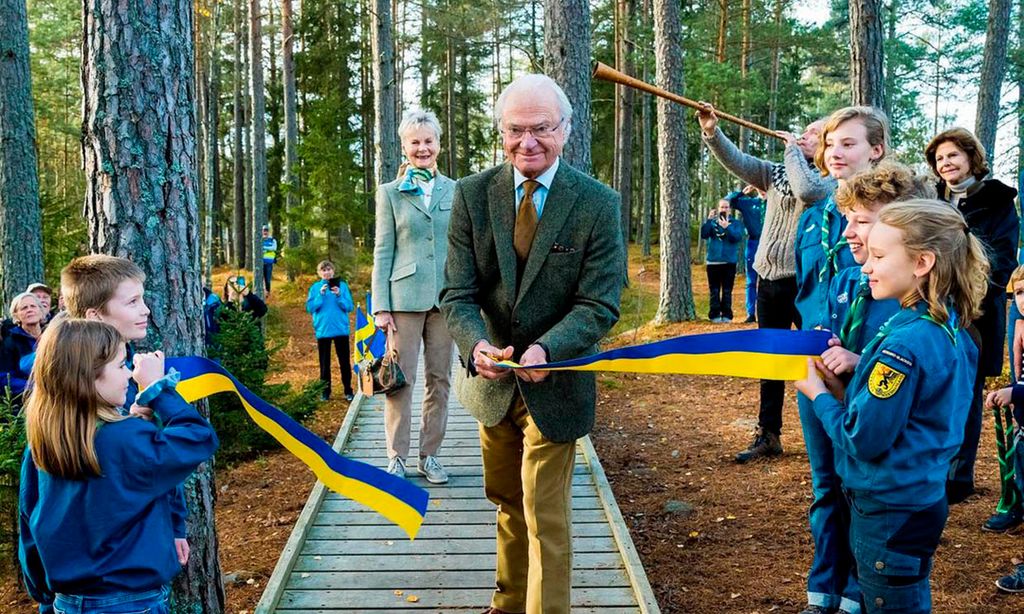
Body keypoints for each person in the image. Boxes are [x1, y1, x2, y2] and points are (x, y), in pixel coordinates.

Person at [440, 74, 624, 614]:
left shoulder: (596, 203)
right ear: (501, 131)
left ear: (565, 129)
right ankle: (508, 602)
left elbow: (599, 304)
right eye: (516, 130)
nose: (528, 142)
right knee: (506, 503)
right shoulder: (473, 195)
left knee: (545, 511)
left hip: (556, 382)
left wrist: (548, 349)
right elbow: (457, 292)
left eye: (541, 128)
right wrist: (475, 346)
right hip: (491, 385)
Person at [796, 200, 987, 614]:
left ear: (922, 262)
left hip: (888, 508)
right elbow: (911, 413)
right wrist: (845, 388)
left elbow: (861, 438)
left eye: (880, 256)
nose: (866, 266)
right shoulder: (944, 326)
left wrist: (818, 395)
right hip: (918, 495)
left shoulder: (902, 346)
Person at [798, 161, 933, 614]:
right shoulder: (847, 278)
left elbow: (904, 365)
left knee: (863, 501)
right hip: (833, 408)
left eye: (864, 221)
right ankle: (825, 590)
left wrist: (858, 363)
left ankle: (859, 593)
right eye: (849, 220)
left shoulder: (908, 295)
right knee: (827, 490)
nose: (851, 232)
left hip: (872, 428)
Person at [19, 319, 218, 614]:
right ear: (89, 376)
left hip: (67, 600)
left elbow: (30, 519)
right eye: (121, 365)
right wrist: (156, 389)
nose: (128, 375)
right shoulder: (125, 439)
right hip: (130, 602)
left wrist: (44, 594)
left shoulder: (45, 442)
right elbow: (198, 437)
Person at [696, 104, 836, 462]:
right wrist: (713, 132)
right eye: (802, 131)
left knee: (814, 360)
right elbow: (739, 162)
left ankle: (828, 432)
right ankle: (768, 433)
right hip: (769, 279)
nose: (804, 135)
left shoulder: (829, 179)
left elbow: (806, 190)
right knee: (770, 359)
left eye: (813, 134)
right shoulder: (776, 174)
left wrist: (793, 148)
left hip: (806, 283)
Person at [59, 254, 190, 569]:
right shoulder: (66, 381)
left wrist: (173, 525)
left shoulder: (136, 370)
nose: (146, 309)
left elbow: (152, 462)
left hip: (143, 547)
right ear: (96, 315)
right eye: (132, 302)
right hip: (103, 571)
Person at [924, 127, 1020, 505]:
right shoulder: (933, 199)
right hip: (932, 308)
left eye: (952, 156)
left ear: (971, 158)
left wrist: (968, 301)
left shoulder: (997, 201)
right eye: (939, 159)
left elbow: (1002, 261)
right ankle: (933, 467)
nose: (945, 164)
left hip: (975, 313)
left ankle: (958, 476)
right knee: (934, 389)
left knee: (966, 394)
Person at [372, 109, 457, 483]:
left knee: (440, 379)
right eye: (415, 142)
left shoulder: (455, 190)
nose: (422, 148)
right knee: (399, 379)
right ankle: (397, 457)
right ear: (404, 147)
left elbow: (463, 247)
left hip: (445, 300)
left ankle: (430, 455)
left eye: (428, 141)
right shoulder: (390, 193)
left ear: (438, 144)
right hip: (403, 300)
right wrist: (380, 307)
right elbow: (382, 250)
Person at [306, 260, 354, 402]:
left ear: (333, 271)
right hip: (323, 330)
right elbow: (310, 308)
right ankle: (325, 392)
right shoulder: (315, 288)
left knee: (344, 362)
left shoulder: (342, 286)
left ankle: (348, 390)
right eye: (323, 270)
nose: (326, 272)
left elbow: (349, 307)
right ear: (319, 273)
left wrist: (339, 295)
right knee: (324, 363)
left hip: (340, 330)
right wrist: (320, 295)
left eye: (329, 269)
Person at [726, 186, 766, 322]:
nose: (763, 189)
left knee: (769, 280)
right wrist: (742, 192)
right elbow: (727, 201)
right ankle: (750, 314)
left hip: (770, 244)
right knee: (751, 281)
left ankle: (766, 313)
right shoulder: (749, 203)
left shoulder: (774, 202)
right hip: (754, 243)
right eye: (760, 185)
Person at [700, 199, 743, 323]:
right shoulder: (712, 223)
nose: (724, 209)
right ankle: (714, 315)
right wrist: (708, 220)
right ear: (718, 209)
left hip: (729, 262)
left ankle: (727, 315)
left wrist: (727, 228)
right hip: (713, 262)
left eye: (726, 207)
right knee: (714, 290)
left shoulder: (735, 223)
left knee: (727, 290)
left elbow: (737, 237)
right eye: (722, 207)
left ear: (730, 209)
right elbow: (704, 234)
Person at [0, 293, 46, 400]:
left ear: (41, 311)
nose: (29, 310)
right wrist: (35, 388)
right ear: (16, 316)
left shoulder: (53, 336)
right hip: (25, 402)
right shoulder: (10, 342)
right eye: (24, 308)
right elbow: (3, 378)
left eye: (33, 306)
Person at [261, 225, 278, 296]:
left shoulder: (272, 240)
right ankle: (262, 292)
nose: (265, 232)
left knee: (267, 279)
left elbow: (273, 248)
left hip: (269, 263)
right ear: (262, 231)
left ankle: (268, 292)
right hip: (261, 263)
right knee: (261, 279)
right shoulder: (260, 240)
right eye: (264, 230)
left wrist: (264, 248)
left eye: (267, 230)